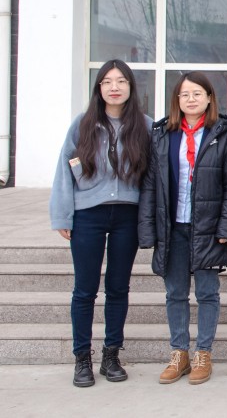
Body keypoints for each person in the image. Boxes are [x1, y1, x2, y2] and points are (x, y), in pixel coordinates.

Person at [50, 59, 152, 387]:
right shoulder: (82, 125)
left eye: (121, 81)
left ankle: (111, 355)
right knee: (85, 289)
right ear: (99, 88)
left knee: (118, 287)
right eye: (107, 81)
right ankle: (82, 358)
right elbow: (64, 170)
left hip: (127, 216)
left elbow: (154, 177)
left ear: (130, 87)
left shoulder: (145, 126)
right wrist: (62, 215)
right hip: (88, 215)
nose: (114, 87)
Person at [139, 72, 227, 385]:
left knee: (207, 293)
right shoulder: (162, 135)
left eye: (197, 93)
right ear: (177, 100)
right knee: (175, 293)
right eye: (184, 94)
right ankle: (179, 353)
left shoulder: (225, 136)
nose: (191, 99)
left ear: (209, 98)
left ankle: (203, 353)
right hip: (172, 228)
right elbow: (150, 184)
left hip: (208, 228)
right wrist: (148, 229)